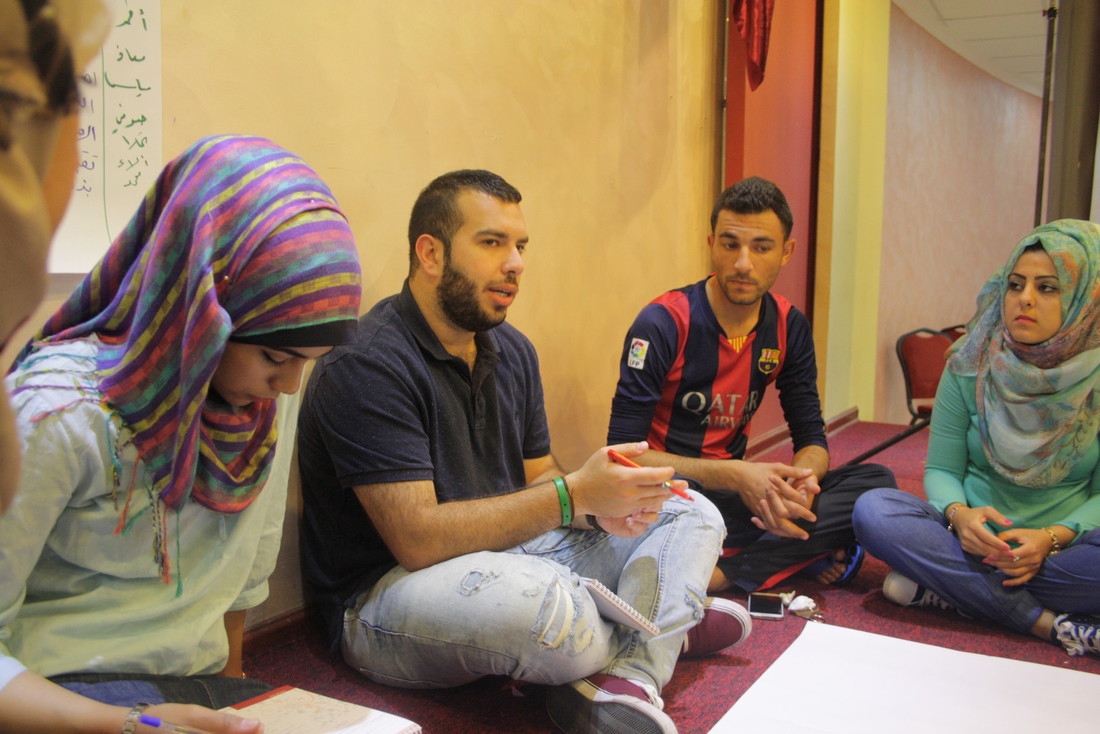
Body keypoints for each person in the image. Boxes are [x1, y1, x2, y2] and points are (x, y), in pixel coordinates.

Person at [297, 169, 748, 734]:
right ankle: (664, 625)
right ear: (430, 253)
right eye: (492, 243)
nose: (516, 263)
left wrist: (597, 507)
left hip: (511, 554)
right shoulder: (367, 363)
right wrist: (571, 496)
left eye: (521, 246)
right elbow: (417, 540)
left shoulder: (512, 350)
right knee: (551, 609)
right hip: (383, 597)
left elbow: (541, 478)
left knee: (690, 511)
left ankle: (631, 670)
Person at [0, 132, 362, 732]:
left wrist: (237, 704)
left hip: (189, 690)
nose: (292, 386)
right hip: (54, 699)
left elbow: (241, 589)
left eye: (310, 360)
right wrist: (123, 724)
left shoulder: (261, 400)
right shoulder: (54, 414)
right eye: (276, 356)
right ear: (197, 308)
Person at [607, 176, 896, 595]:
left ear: (785, 252)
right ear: (711, 244)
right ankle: (780, 556)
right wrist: (738, 475)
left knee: (876, 481)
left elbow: (811, 436)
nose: (743, 264)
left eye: (761, 247)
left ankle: (725, 568)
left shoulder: (788, 326)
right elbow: (622, 452)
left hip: (742, 497)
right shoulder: (664, 322)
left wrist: (800, 487)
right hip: (669, 493)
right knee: (656, 517)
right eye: (730, 245)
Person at [853, 220, 1100, 658]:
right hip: (968, 538)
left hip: (1063, 546)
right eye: (1016, 284)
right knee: (873, 511)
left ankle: (951, 589)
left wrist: (1048, 538)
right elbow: (943, 470)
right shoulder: (971, 362)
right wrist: (959, 515)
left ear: (1085, 300)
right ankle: (1044, 622)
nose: (1024, 299)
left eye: (1048, 288)